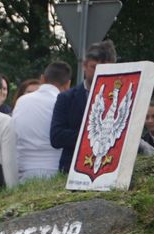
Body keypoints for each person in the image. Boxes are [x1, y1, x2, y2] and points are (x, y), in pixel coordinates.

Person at [50, 40, 117, 172]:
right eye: (94, 67)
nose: (99, 72)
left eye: (105, 68)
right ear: (84, 66)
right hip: (72, 168)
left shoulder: (118, 96)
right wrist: (91, 136)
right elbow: (56, 137)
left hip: (109, 167)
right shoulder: (66, 98)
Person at [13, 60, 72, 182]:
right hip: (55, 171)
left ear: (42, 79)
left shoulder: (21, 101)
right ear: (68, 84)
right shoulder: (65, 103)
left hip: (23, 170)